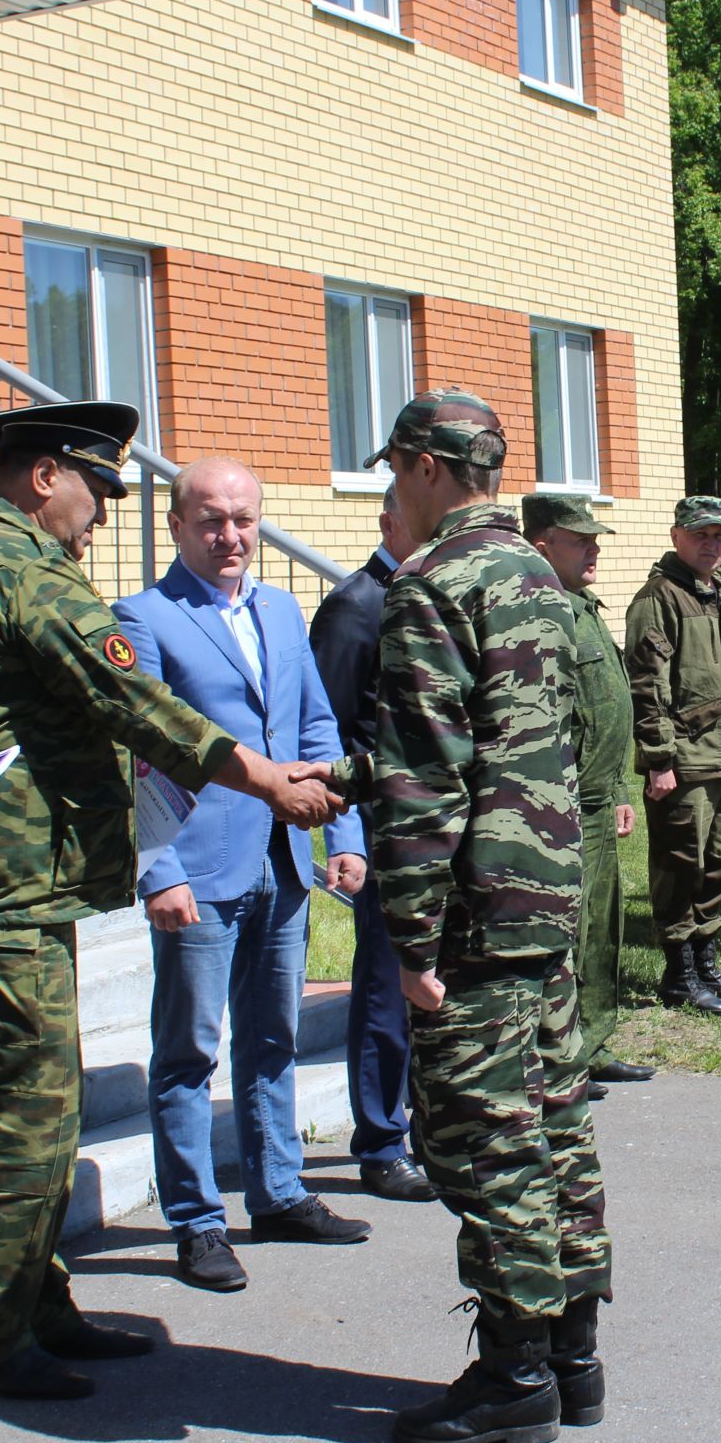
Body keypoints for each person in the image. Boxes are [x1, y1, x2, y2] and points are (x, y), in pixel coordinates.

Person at [0, 400, 341, 1401]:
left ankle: (34, 1306)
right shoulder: (8, 565)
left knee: (38, 1106)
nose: (101, 516)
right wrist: (263, 777)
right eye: (97, 490)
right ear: (44, 473)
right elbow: (129, 695)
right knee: (30, 1111)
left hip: (13, 877)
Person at [366, 391, 610, 1443]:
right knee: (556, 1119)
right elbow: (542, 738)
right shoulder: (541, 582)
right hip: (550, 892)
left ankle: (514, 1376)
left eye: (393, 470)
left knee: (487, 1140)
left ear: (426, 467)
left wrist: (413, 941)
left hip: (475, 912)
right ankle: (573, 1354)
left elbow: (428, 778)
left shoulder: (432, 588)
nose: (390, 491)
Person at [114, 458, 373, 1295]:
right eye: (211, 521)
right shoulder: (144, 618)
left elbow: (316, 723)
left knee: (274, 1037)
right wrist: (159, 868)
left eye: (244, 520)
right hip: (199, 865)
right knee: (189, 1049)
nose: (231, 536)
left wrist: (344, 825)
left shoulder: (280, 608)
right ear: (178, 525)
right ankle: (196, 1221)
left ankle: (281, 1192)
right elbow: (144, 751)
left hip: (285, 860)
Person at [308, 484, 440, 1202]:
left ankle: (428, 1128)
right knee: (389, 987)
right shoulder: (356, 606)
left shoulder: (425, 596)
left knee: (430, 984)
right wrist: (344, 833)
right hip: (386, 832)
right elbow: (326, 730)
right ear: (390, 519)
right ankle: (381, 1141)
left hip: (437, 828)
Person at [521, 493, 651, 1097]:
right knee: (568, 935)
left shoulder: (586, 607)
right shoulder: (545, 615)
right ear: (544, 545)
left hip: (600, 797)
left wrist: (620, 785)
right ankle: (560, 1059)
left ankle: (593, 1042)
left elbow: (606, 710)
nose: (595, 549)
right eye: (583, 540)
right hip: (566, 804)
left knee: (602, 928)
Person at [624, 496, 721, 1014]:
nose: (712, 543)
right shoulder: (659, 598)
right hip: (683, 759)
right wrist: (658, 759)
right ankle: (679, 973)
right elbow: (646, 685)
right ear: (677, 534)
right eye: (701, 533)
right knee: (682, 865)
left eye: (719, 535)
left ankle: (706, 961)